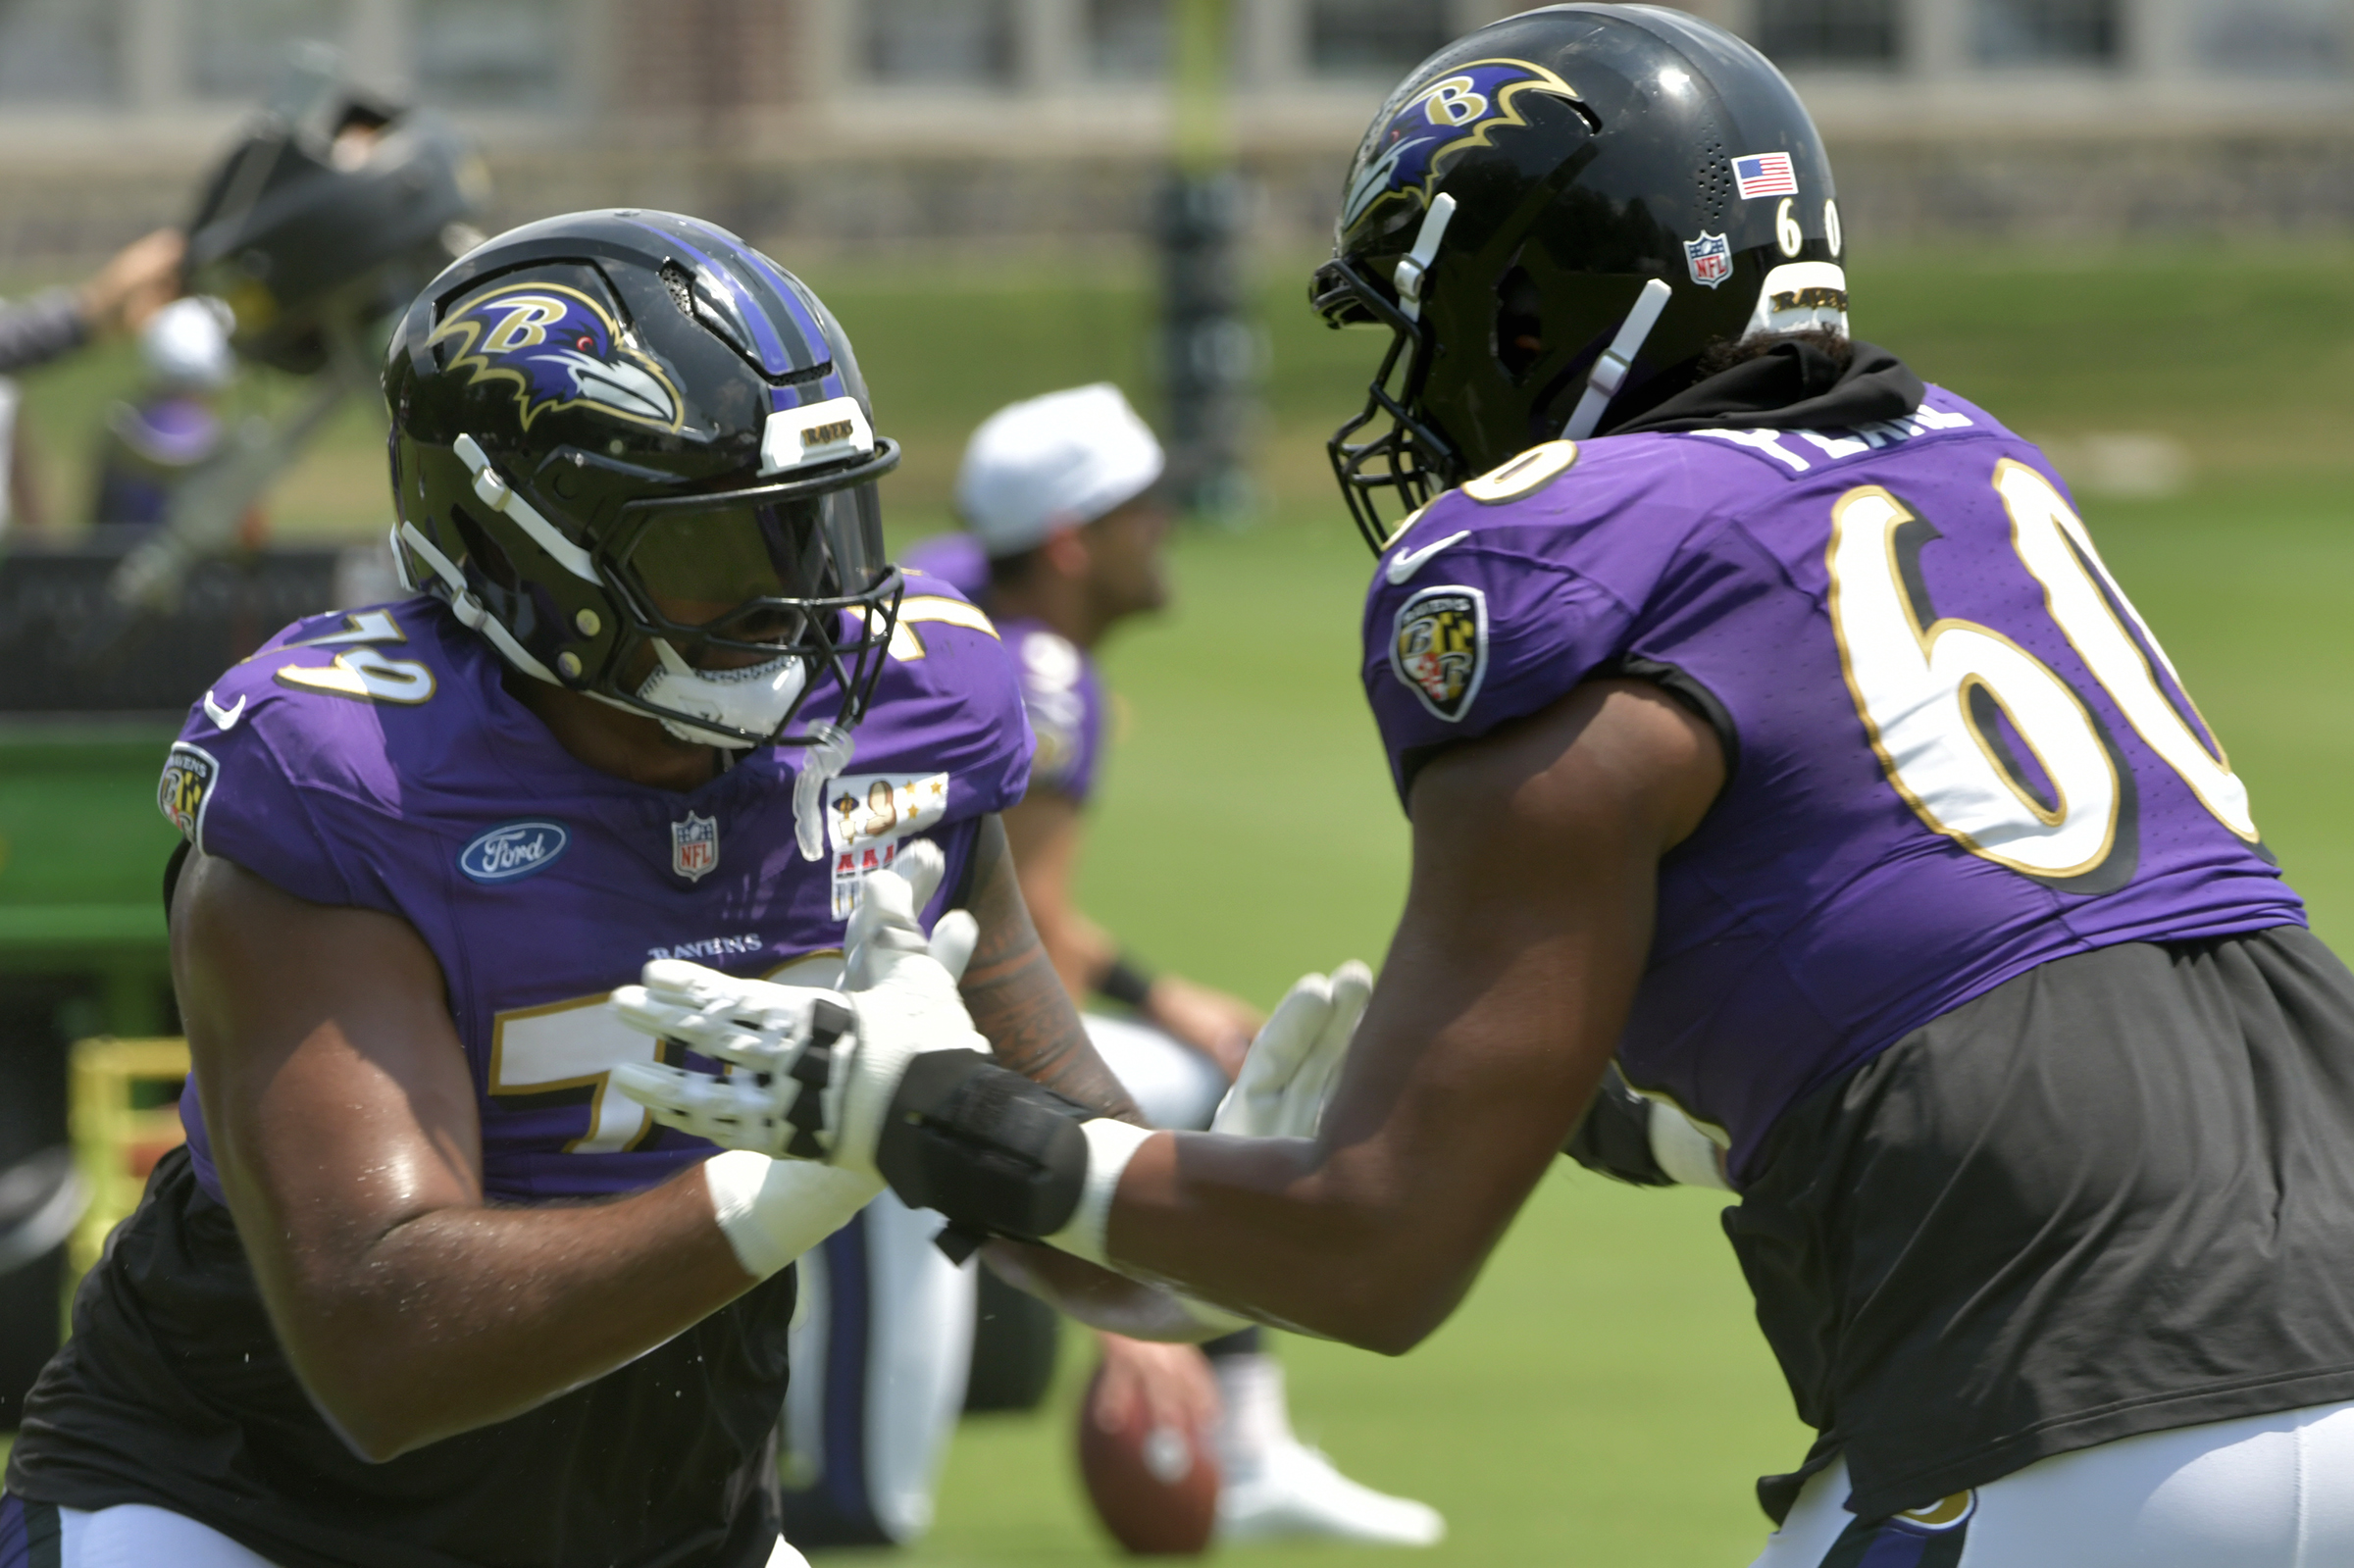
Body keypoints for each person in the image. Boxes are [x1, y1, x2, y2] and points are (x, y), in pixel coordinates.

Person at [610, 10, 2354, 1565]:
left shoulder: (1562, 554)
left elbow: (1381, 1251)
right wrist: (1671, 1107)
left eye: (1425, 322)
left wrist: (917, 1114)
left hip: (2075, 1392)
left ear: (1540, 302)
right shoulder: (1979, 468)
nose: (1408, 388)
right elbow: (1998, 953)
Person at [0, 208, 1151, 1568]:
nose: (801, 605)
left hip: (667, 1525)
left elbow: (1087, 1214)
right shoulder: (350, 770)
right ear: (525, 545)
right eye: (727, 548)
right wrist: (776, 1184)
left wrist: (1218, 1205)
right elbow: (385, 1346)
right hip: (250, 1510)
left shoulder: (914, 719)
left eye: (815, 530)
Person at [778, 385, 1442, 1549]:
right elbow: (1009, 951)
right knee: (865, 1501)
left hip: (833, 1005)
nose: (1168, 526)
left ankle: (1246, 1444)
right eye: (1144, 507)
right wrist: (1107, 1273)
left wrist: (1159, 1003)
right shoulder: (1036, 678)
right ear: (1075, 540)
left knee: (1195, 1086)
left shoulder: (942, 579)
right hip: (881, 1065)